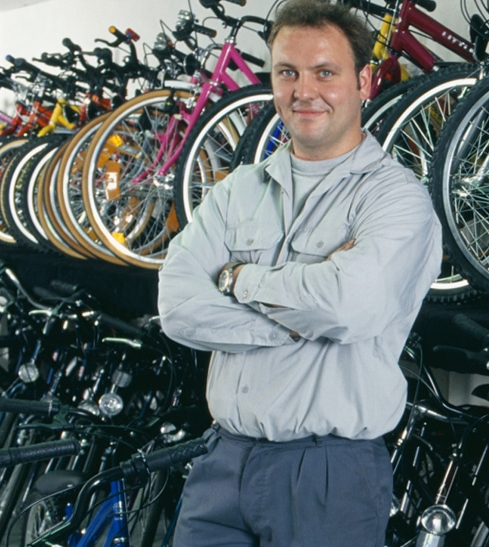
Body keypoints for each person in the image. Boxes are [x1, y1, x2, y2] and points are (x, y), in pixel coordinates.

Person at [157, 0, 440, 544]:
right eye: (287, 72)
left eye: (325, 73)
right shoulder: (239, 188)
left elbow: (347, 307)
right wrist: (297, 322)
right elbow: (177, 305)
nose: (302, 91)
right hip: (222, 459)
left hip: (328, 474)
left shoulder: (394, 199)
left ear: (364, 82)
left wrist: (242, 281)